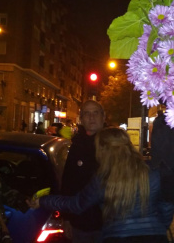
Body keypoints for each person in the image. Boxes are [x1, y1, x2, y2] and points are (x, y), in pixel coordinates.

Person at [28, 128, 169, 243]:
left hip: (117, 237)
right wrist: (160, 226)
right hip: (156, 236)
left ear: (104, 150)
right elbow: (167, 205)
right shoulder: (152, 172)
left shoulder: (104, 179)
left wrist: (43, 201)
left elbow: (76, 204)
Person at [60, 100, 106, 242]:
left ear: (103, 117)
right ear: (81, 119)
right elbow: (68, 182)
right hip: (81, 222)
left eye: (95, 113)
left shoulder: (113, 144)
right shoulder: (76, 145)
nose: (91, 117)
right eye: (87, 113)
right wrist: (66, 218)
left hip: (108, 223)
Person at [150, 110, 174, 236]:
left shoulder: (161, 123)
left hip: (163, 169)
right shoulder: (165, 123)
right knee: (165, 211)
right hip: (167, 172)